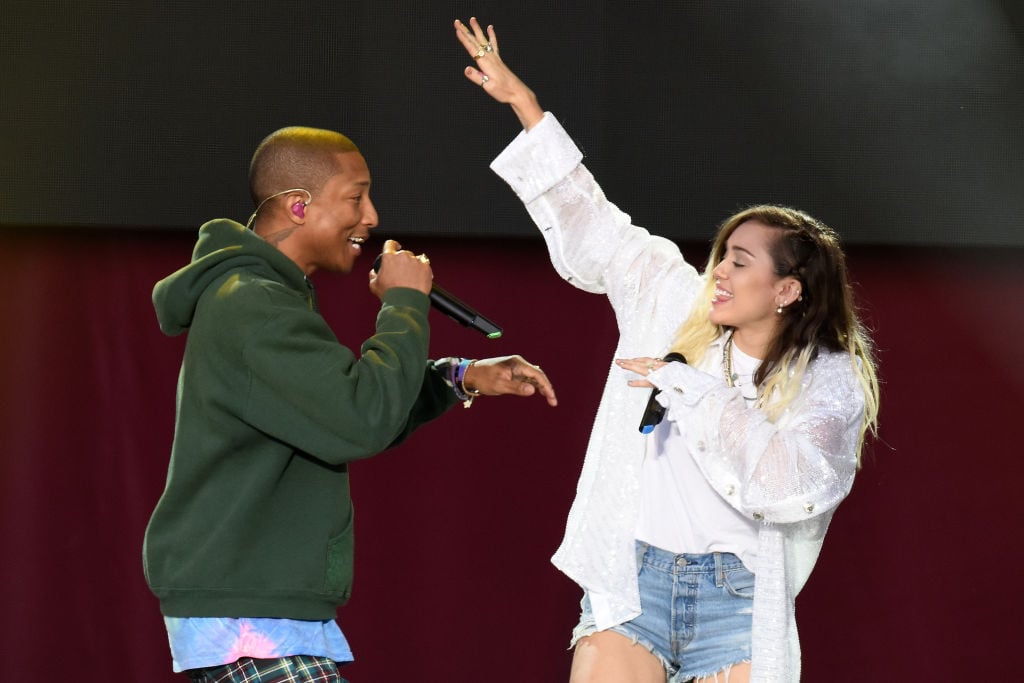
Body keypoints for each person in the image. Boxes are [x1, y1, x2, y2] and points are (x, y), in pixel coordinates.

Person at [453, 17, 879, 683]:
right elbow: (598, 227)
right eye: (722, 256)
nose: (721, 273)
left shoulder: (828, 376)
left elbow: (792, 483)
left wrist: (695, 390)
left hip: (739, 600)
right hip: (635, 578)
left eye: (741, 262)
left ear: (787, 289)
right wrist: (525, 108)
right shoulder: (674, 301)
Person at [143, 124, 557, 682]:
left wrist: (460, 378)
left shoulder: (264, 298)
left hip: (259, 605)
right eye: (356, 198)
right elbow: (361, 420)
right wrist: (404, 303)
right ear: (298, 206)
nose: (371, 217)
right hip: (250, 615)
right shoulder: (252, 304)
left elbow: (342, 409)